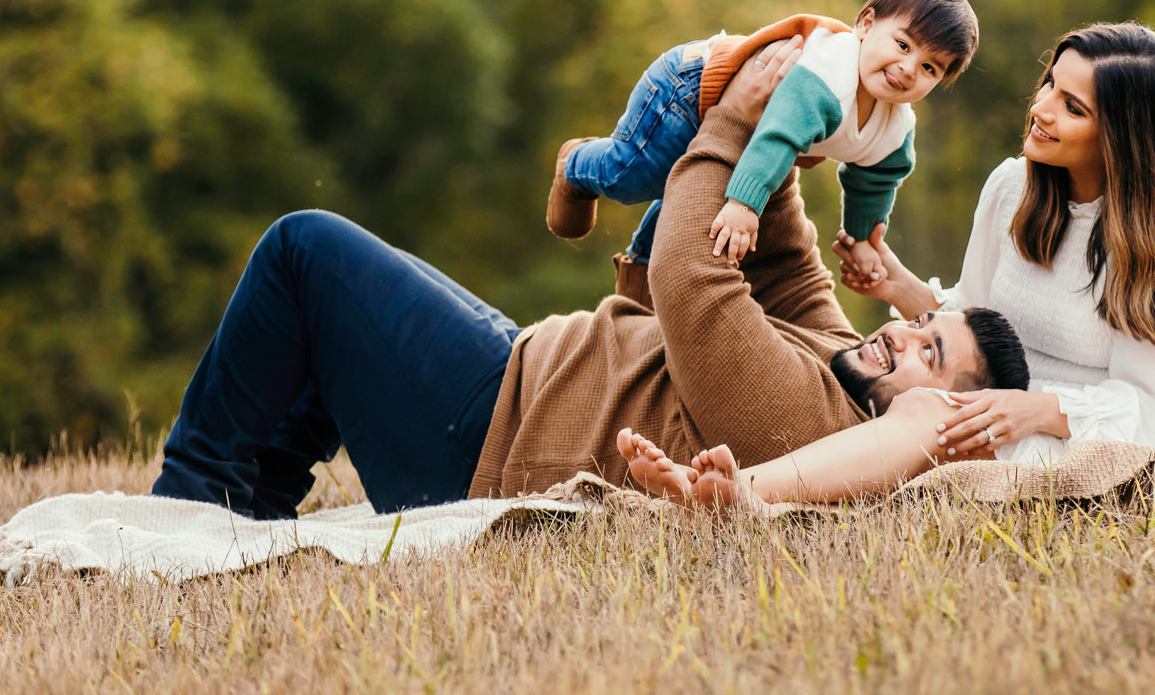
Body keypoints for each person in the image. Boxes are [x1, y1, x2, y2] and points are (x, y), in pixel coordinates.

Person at [152, 36, 1029, 516]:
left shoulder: (809, 417)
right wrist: (786, 134)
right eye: (923, 321)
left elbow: (693, 284)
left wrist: (726, 123)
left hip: (489, 439)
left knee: (304, 249)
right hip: (524, 372)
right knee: (328, 314)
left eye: (928, 350)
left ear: (940, 408)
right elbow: (782, 261)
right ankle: (245, 504)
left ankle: (185, 504)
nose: (900, 331)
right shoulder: (838, 354)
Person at [830, 22, 1155, 465]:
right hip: (987, 409)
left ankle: (754, 494)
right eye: (1050, 84)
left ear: (1125, 139)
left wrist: (1038, 411)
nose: (1040, 108)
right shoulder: (1012, 187)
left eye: (1072, 107)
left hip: (1076, 442)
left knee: (926, 413)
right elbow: (970, 324)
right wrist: (896, 286)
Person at [546, 0, 978, 305]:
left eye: (930, 68)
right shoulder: (828, 72)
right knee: (639, 176)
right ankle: (578, 165)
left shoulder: (895, 126)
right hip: (691, 90)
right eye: (903, 45)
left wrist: (861, 238)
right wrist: (744, 203)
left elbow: (876, 179)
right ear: (866, 24)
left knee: (688, 196)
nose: (908, 68)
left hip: (740, 131)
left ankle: (639, 279)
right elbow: (778, 138)